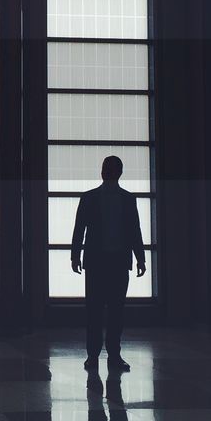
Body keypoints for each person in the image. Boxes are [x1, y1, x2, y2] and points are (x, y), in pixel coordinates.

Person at [70, 155, 146, 372]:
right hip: (117, 262)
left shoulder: (89, 198)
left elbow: (79, 230)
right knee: (114, 310)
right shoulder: (128, 199)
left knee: (97, 310)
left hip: (98, 262)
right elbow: (134, 231)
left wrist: (76, 256)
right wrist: (140, 258)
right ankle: (111, 355)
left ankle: (94, 356)